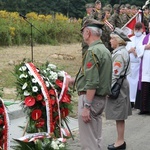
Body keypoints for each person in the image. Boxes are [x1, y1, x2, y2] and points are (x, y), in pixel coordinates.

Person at [71, 19, 112, 150]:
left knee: (88, 143)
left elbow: (93, 82)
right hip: (100, 99)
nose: (83, 35)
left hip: (91, 99)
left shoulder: (92, 52)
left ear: (88, 32)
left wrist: (86, 106)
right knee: (95, 139)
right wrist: (72, 80)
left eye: (83, 31)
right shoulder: (104, 50)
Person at [105, 28, 132, 150]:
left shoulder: (119, 54)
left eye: (112, 38)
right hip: (121, 84)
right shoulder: (121, 52)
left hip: (118, 85)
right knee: (119, 116)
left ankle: (120, 142)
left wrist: (107, 89)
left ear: (118, 40)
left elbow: (115, 74)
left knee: (119, 115)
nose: (110, 41)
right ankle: (119, 141)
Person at [126, 22, 145, 108]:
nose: (137, 31)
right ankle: (130, 101)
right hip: (131, 64)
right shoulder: (131, 39)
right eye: (136, 29)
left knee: (137, 83)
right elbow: (126, 50)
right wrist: (130, 50)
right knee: (130, 83)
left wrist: (136, 52)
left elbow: (144, 48)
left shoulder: (144, 38)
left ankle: (136, 100)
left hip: (139, 64)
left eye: (139, 29)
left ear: (142, 29)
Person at [134, 23, 150, 114]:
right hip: (146, 66)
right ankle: (144, 108)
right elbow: (139, 48)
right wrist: (145, 47)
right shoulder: (145, 38)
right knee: (145, 85)